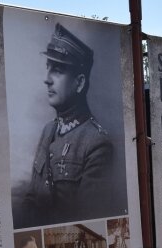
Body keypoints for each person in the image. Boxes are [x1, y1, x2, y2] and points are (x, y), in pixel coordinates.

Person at [22, 23, 114, 226]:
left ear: (79, 83)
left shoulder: (97, 143)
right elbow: (31, 198)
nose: (47, 80)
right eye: (48, 68)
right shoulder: (49, 131)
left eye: (58, 70)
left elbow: (89, 219)